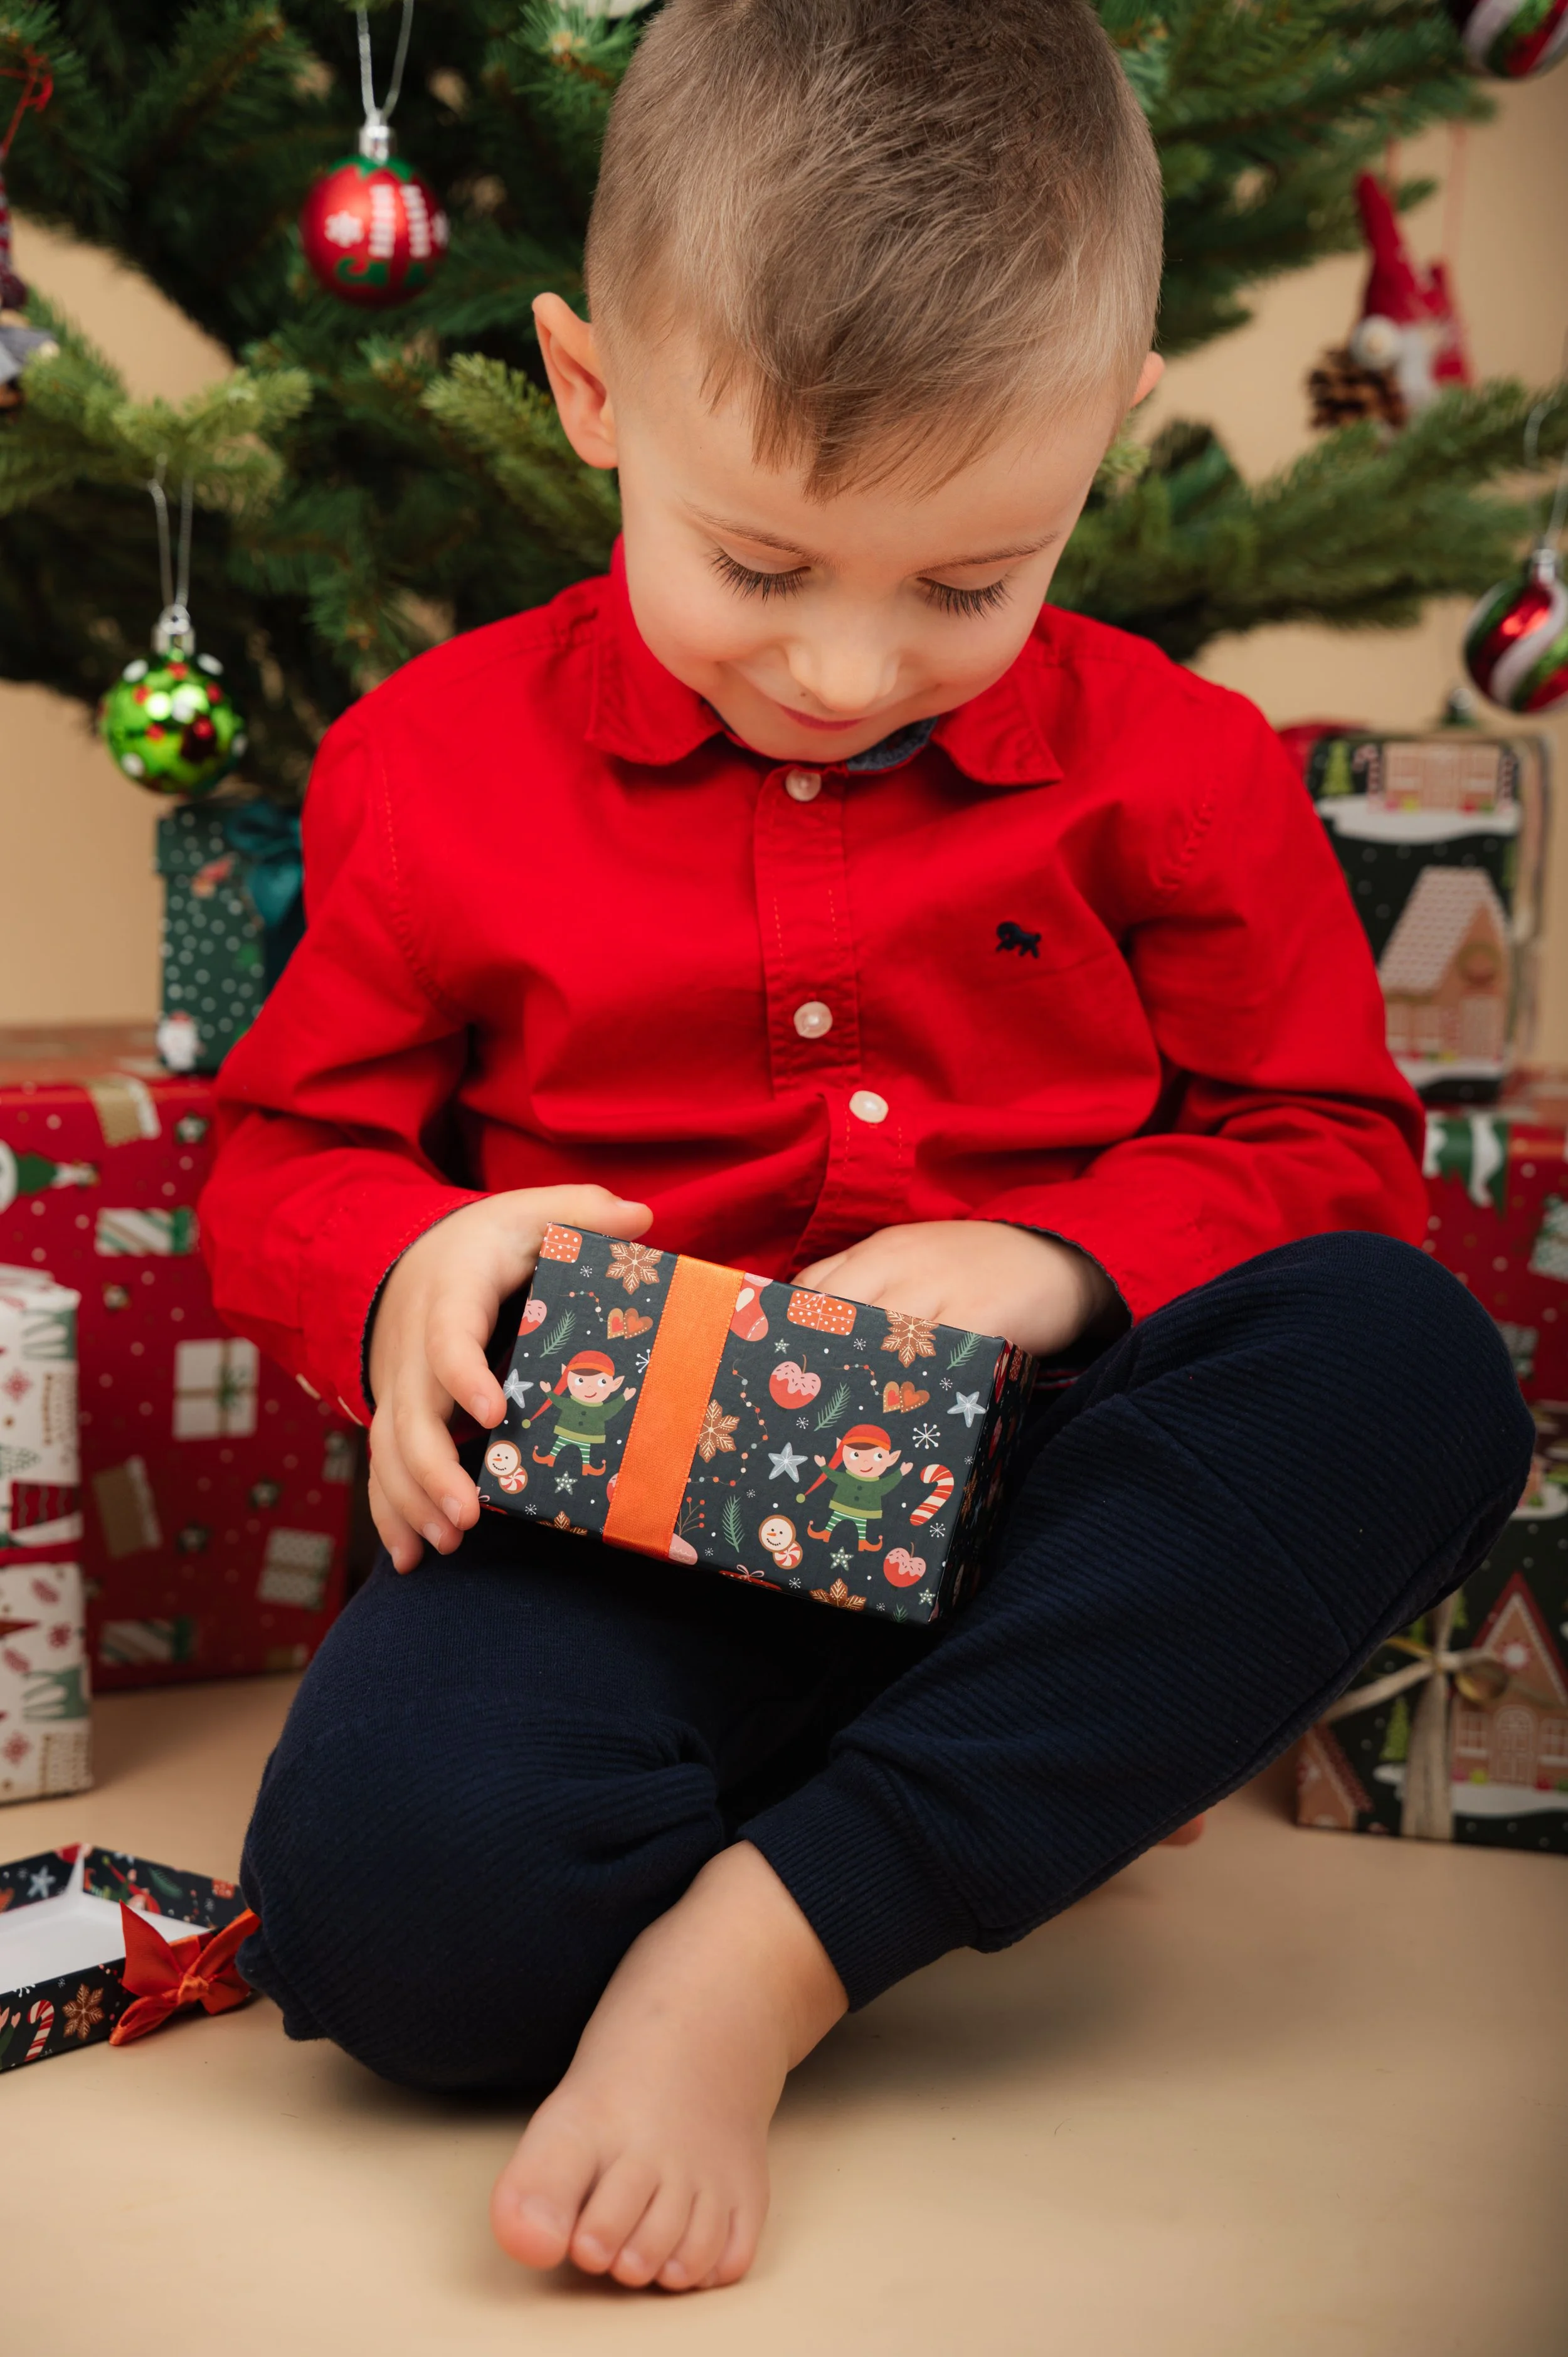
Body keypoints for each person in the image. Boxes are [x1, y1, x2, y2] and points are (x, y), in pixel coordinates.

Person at [204, 0, 1533, 2299]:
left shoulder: (1184, 771)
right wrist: (405, 1264)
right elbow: (285, 1157)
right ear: (592, 393)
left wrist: (1056, 1262)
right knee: (392, 1930)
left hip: (1061, 1499)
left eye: (958, 585)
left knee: (1409, 1359)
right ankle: (995, 1780)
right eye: (762, 566)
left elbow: (1332, 1149)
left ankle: (774, 1936)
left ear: (1104, 442)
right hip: (622, 1528)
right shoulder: (429, 767)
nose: (840, 671)